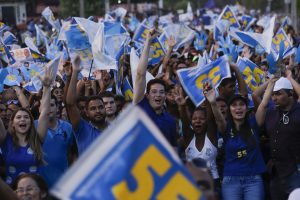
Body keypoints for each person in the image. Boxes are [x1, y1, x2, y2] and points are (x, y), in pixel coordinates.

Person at [205, 84, 266, 200]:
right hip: (231, 181)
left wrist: (272, 81)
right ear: (229, 110)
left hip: (254, 181)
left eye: (242, 105)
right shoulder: (226, 128)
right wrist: (212, 102)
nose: (238, 108)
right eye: (234, 105)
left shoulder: (254, 124)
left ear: (247, 108)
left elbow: (263, 104)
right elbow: (218, 118)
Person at [0, 69, 52, 184]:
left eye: (26, 117)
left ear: (31, 122)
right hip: (12, 194)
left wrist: (47, 88)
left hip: (35, 193)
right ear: (12, 123)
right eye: (18, 117)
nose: (22, 119)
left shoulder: (37, 139)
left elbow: (45, 113)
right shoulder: (5, 139)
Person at [256, 76, 300, 200]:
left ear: (290, 93)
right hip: (276, 172)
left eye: (278, 94)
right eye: (273, 94)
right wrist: (269, 85)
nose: (274, 98)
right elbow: (258, 123)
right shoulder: (271, 112)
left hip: (295, 171)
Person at [133, 30, 177, 147]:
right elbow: (140, 74)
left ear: (165, 96)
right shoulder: (140, 106)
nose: (158, 95)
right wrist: (148, 41)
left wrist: (170, 50)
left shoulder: (170, 121)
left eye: (162, 92)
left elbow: (173, 149)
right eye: (154, 92)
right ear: (147, 95)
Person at [66, 56, 107, 155]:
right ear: (86, 113)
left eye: (101, 107)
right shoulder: (82, 128)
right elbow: (70, 104)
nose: (97, 111)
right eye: (93, 108)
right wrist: (75, 71)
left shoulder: (115, 128)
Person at [34, 95, 74, 188]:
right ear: (39, 108)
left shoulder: (68, 127)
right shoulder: (32, 127)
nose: (48, 109)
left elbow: (70, 153)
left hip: (63, 184)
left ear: (57, 107)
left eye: (51, 105)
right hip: (39, 185)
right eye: (44, 106)